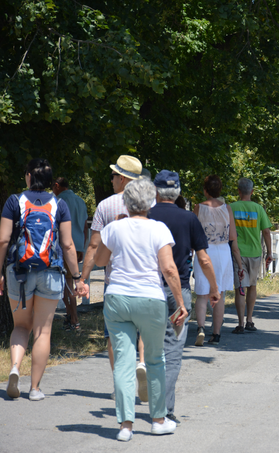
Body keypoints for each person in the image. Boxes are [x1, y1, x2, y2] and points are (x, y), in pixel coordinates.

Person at [94, 177, 188, 441]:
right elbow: (169, 269)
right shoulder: (159, 229)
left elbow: (101, 259)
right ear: (152, 201)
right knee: (156, 359)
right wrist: (180, 303)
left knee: (123, 363)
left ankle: (125, 426)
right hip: (150, 299)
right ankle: (158, 420)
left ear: (126, 201)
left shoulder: (114, 228)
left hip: (117, 299)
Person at [0, 159, 89, 401]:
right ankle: (35, 389)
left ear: (28, 176)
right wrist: (78, 277)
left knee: (20, 327)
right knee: (42, 331)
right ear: (51, 181)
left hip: (18, 272)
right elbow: (68, 244)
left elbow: (3, 241)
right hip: (51, 271)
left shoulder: (13, 202)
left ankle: (15, 368)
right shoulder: (59, 205)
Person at [148, 170, 220, 423]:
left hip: (147, 288)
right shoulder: (189, 218)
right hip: (177, 291)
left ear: (155, 191)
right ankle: (164, 410)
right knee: (173, 349)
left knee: (149, 343)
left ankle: (143, 370)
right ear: (177, 192)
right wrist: (214, 288)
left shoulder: (145, 215)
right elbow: (203, 258)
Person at [81, 155, 148, 401]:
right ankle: (141, 363)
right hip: (143, 282)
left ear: (121, 179)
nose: (110, 180)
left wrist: (83, 279)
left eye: (112, 176)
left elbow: (93, 246)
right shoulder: (148, 205)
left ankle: (121, 384)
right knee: (142, 331)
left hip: (115, 282)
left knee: (114, 336)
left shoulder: (106, 206)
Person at [193, 175, 244, 345]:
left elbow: (193, 233)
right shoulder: (227, 209)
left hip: (204, 250)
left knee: (202, 294)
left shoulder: (198, 208)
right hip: (222, 250)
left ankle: (200, 328)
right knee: (219, 294)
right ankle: (216, 333)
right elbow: (232, 236)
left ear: (205, 190)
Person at [230, 177, 272, 334]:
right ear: (252, 192)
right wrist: (269, 252)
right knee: (252, 286)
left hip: (237, 253)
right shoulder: (258, 208)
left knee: (240, 287)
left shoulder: (231, 207)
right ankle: (249, 320)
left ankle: (240, 323)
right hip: (255, 253)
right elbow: (266, 231)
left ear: (238, 191)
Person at [52, 177, 89, 331]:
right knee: (72, 280)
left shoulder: (58, 201)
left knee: (67, 283)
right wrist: (83, 244)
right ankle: (72, 317)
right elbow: (86, 226)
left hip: (65, 246)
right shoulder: (80, 200)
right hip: (79, 244)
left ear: (57, 186)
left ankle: (73, 318)